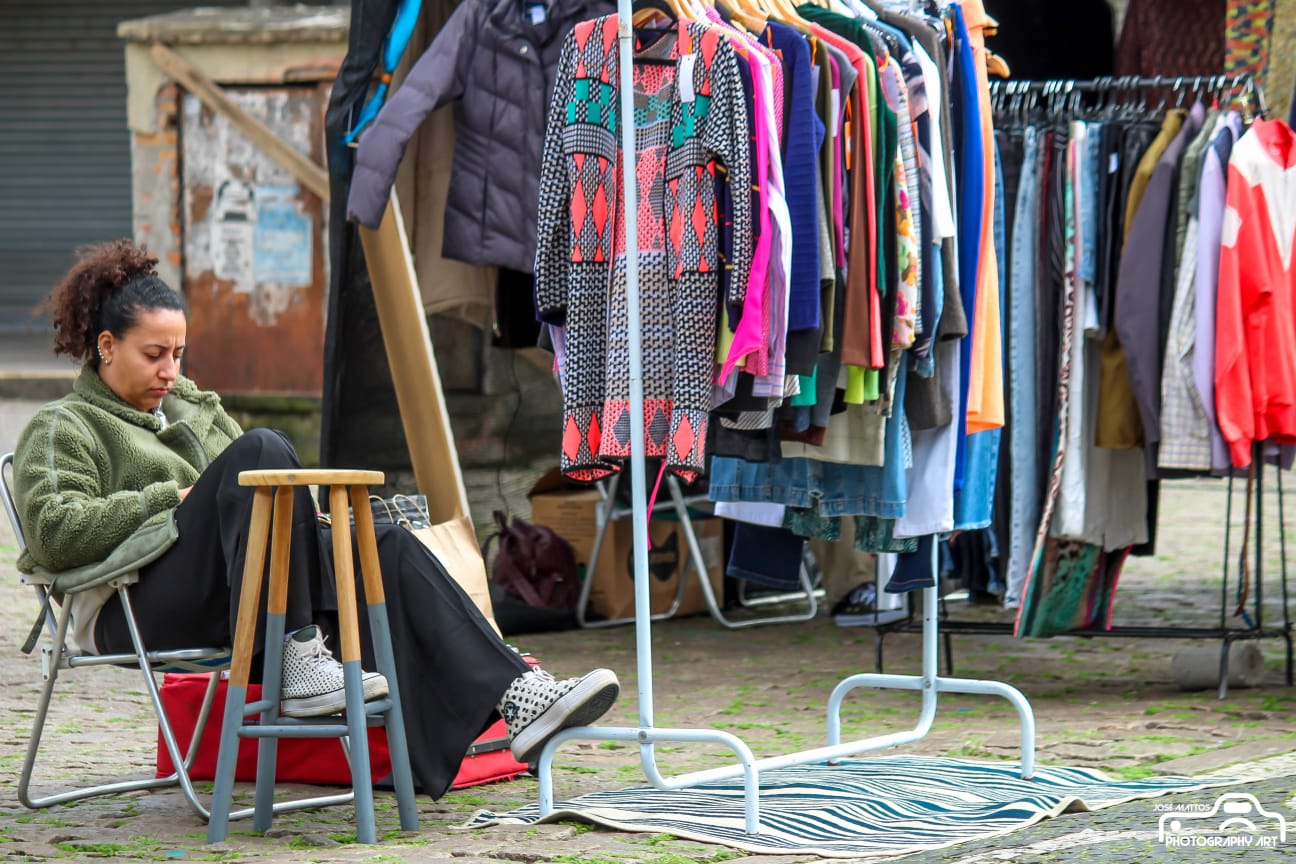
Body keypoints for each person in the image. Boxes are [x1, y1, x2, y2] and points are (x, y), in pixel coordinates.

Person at [11, 239, 619, 799]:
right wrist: (175, 495)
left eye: (178, 353)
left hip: (233, 592)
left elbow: (262, 507)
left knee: (387, 545)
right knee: (263, 451)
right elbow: (56, 532)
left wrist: (313, 527)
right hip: (132, 607)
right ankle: (297, 654)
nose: (170, 371)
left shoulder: (189, 411)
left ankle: (518, 695)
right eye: (154, 354)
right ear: (107, 345)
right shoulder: (63, 426)